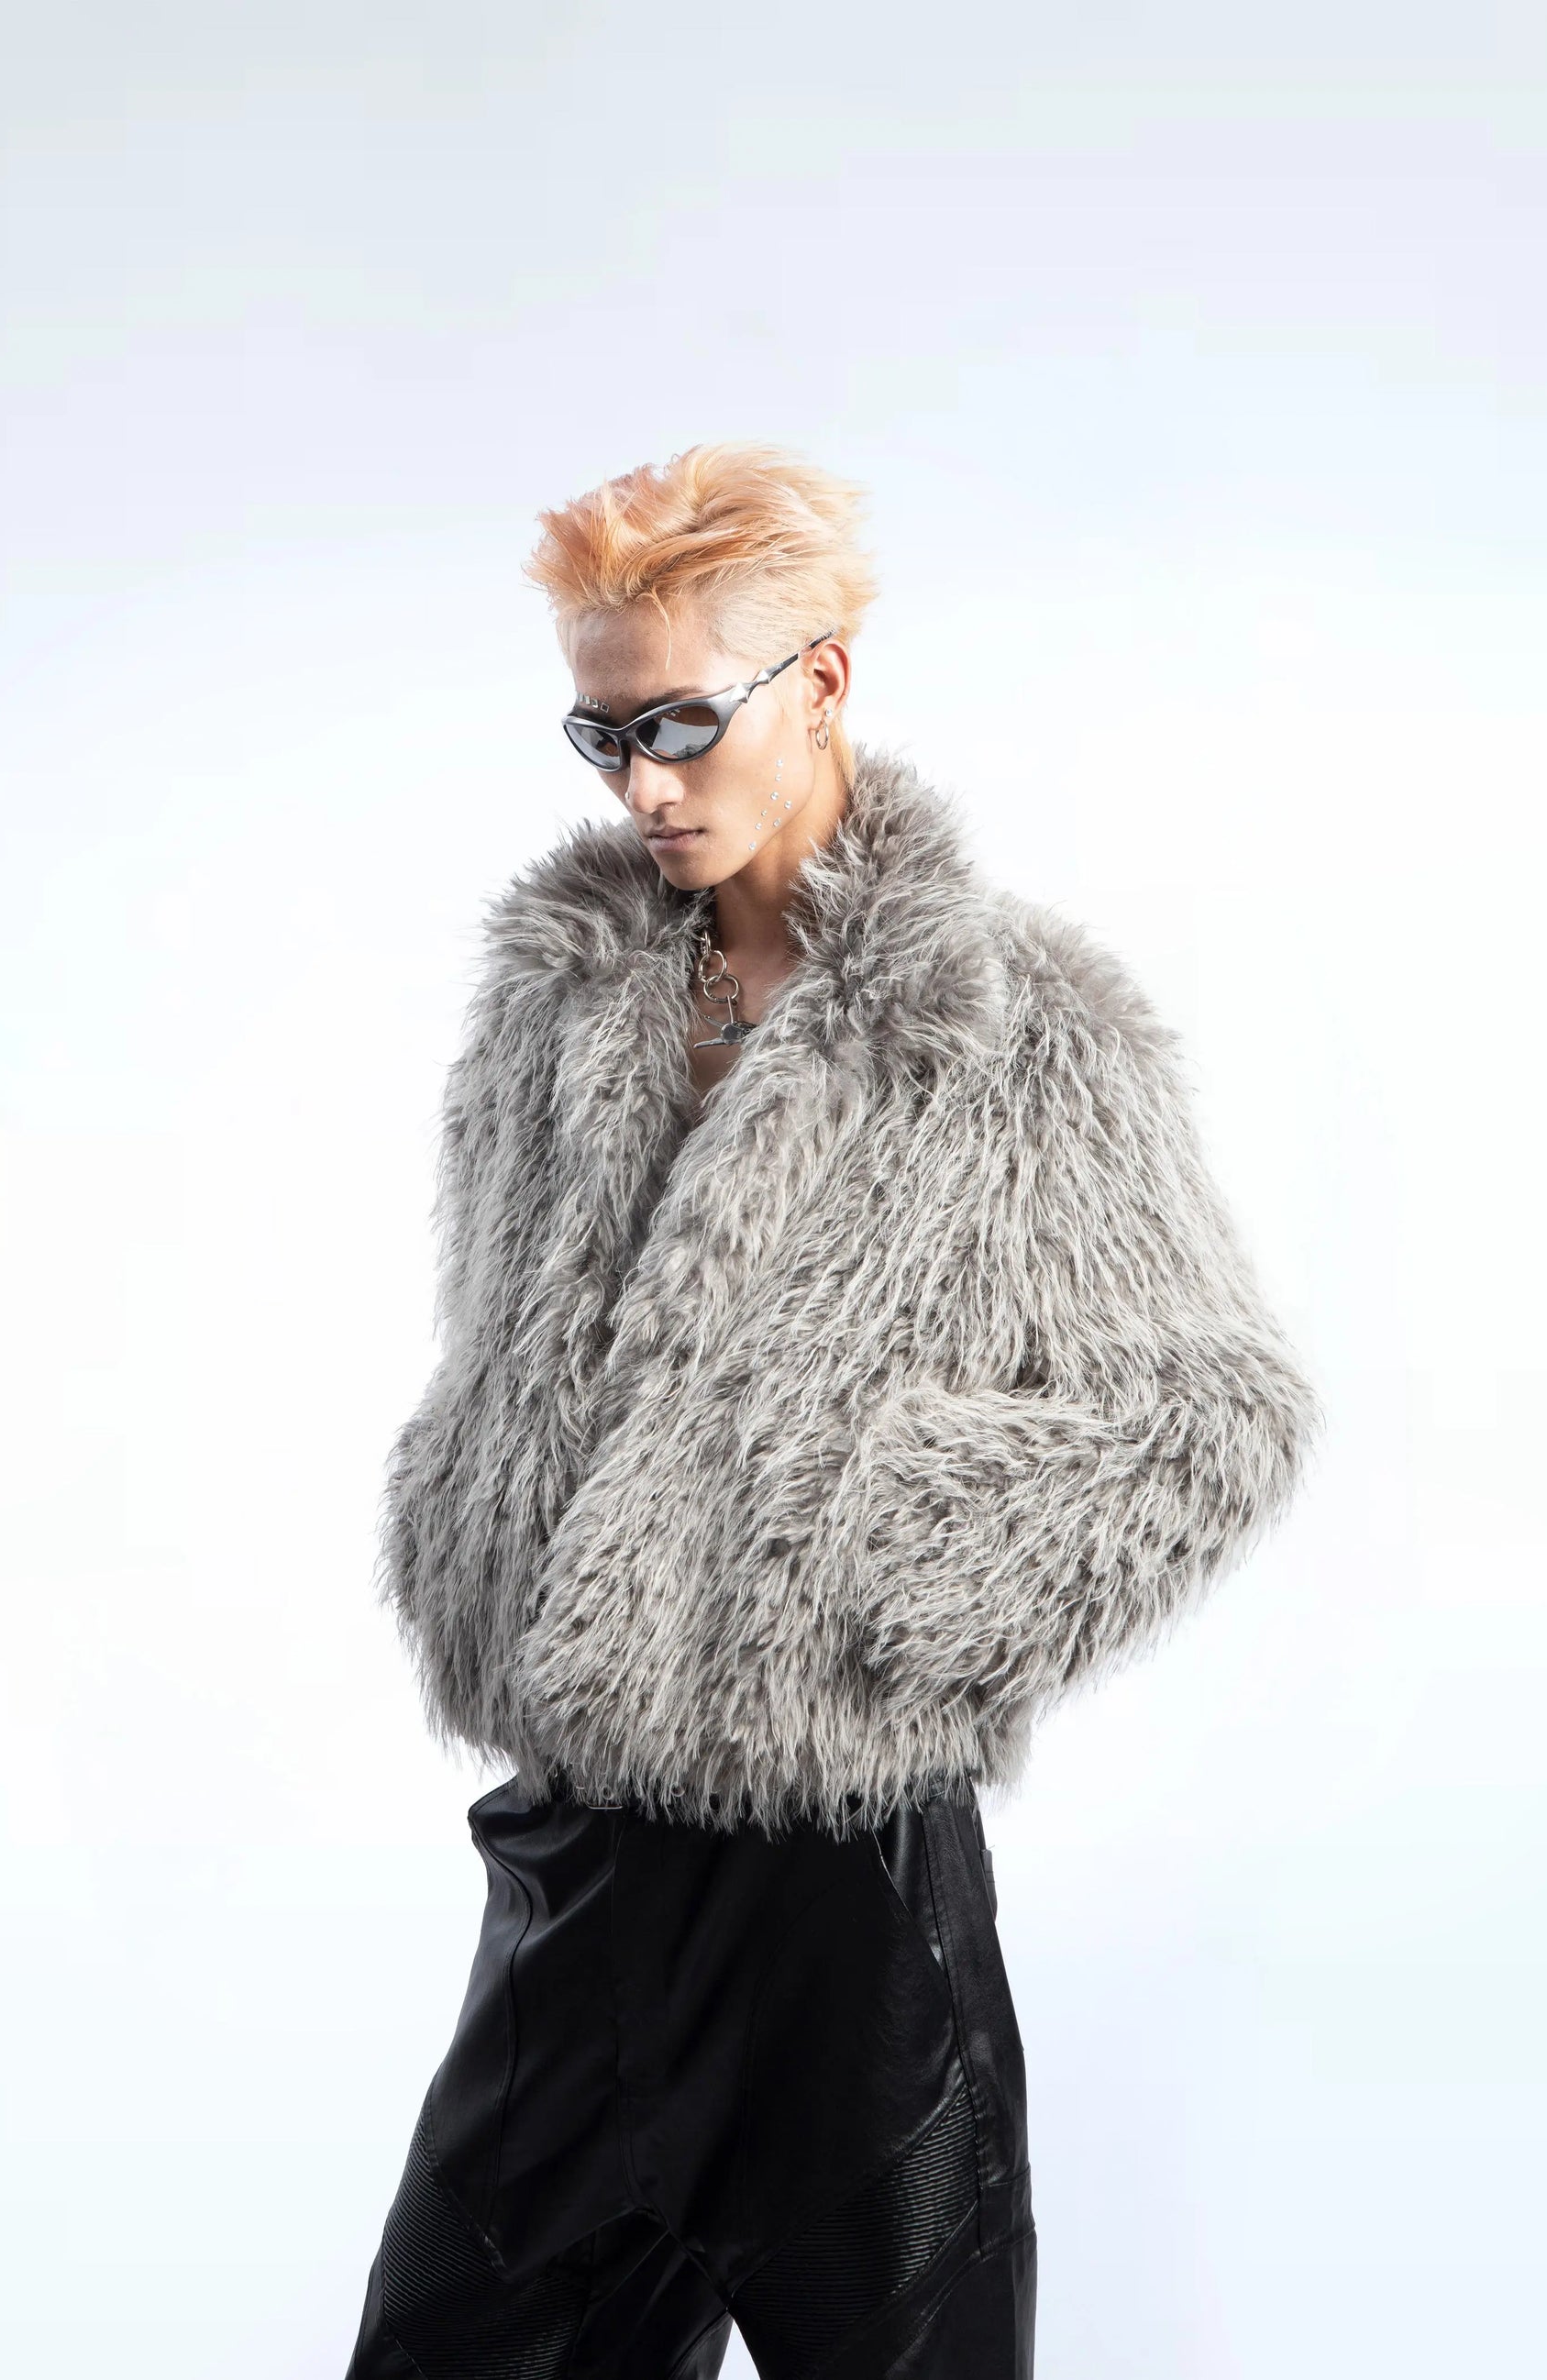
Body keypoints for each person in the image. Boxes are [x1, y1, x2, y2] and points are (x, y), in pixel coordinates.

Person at [344, 443, 1320, 2378]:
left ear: (822, 682)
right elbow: (514, 1367)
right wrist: (484, 1541)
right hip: (578, 1876)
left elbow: (1215, 1409)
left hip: (843, 1910)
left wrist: (873, 1561)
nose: (642, 786)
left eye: (681, 724)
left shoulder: (1018, 1026)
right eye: (601, 734)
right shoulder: (558, 1001)